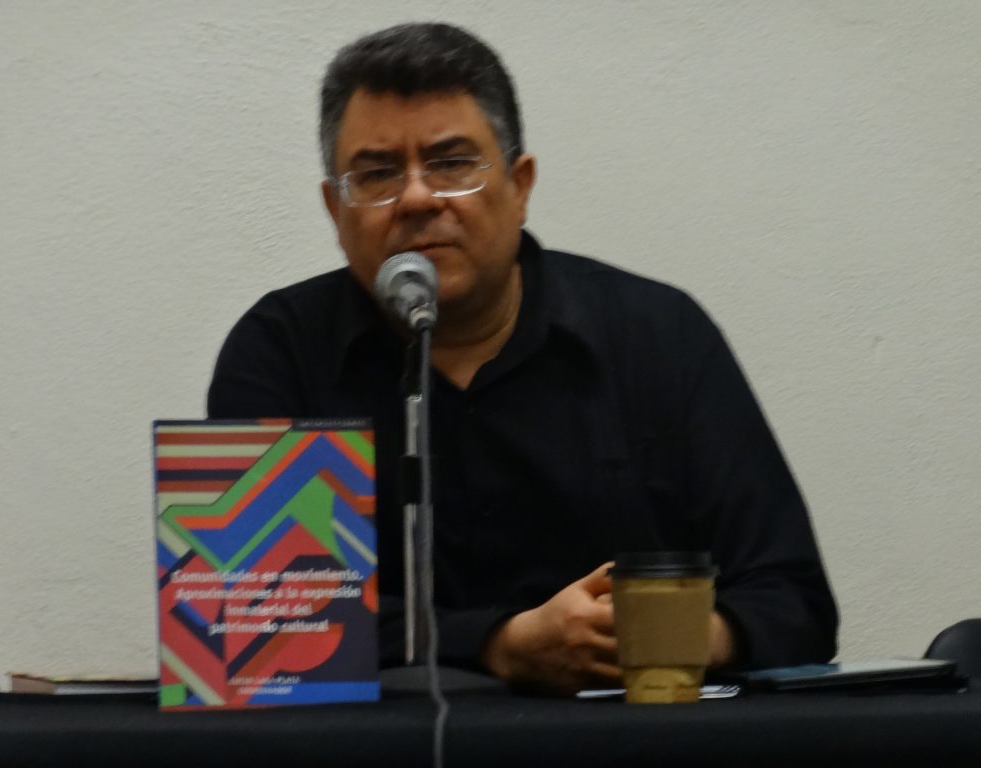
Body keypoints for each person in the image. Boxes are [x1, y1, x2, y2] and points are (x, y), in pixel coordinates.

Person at [208, 22, 838, 695]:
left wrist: (657, 635)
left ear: (520, 185)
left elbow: (794, 603)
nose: (418, 198)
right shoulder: (279, 352)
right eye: (379, 174)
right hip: (376, 744)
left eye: (452, 163)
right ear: (336, 209)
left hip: (629, 737)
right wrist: (501, 644)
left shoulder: (657, 335)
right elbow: (256, 623)